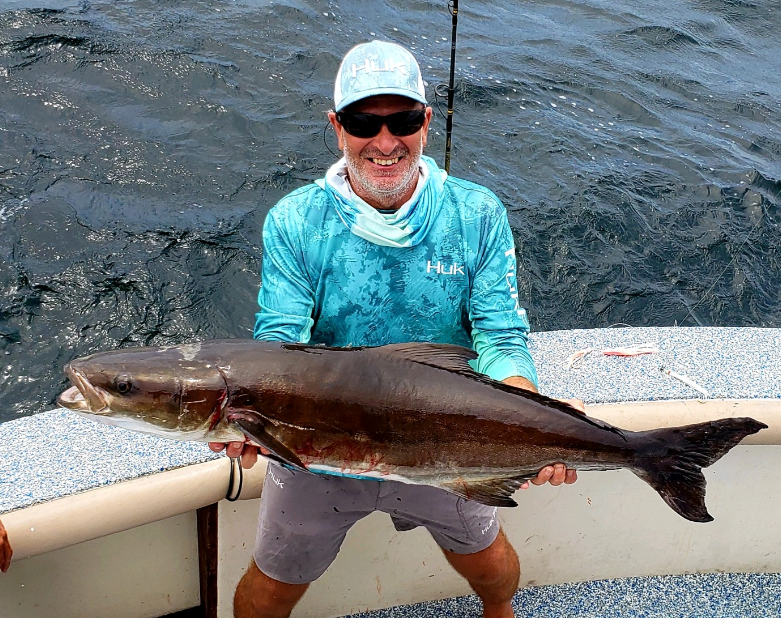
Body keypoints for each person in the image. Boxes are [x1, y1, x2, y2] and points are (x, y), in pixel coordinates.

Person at [210, 40, 579, 618]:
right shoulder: (294, 221)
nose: (385, 142)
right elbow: (278, 343)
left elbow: (500, 332)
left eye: (403, 120)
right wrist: (246, 424)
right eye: (364, 122)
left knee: (490, 565)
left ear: (426, 123)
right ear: (337, 128)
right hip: (316, 448)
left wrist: (527, 411)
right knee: (272, 587)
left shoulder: (477, 213)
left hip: (448, 438)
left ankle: (500, 612)